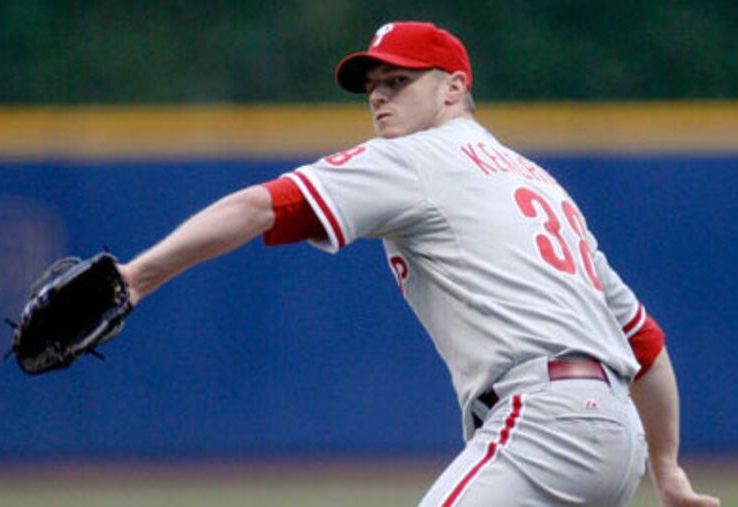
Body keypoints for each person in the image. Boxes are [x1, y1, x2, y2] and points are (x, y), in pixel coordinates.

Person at [118, 21, 720, 507]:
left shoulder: (416, 158)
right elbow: (645, 344)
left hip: (545, 426)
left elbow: (258, 207)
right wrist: (665, 469)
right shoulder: (540, 185)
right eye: (372, 84)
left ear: (453, 88)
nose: (379, 94)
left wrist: (134, 277)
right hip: (614, 438)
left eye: (399, 79)